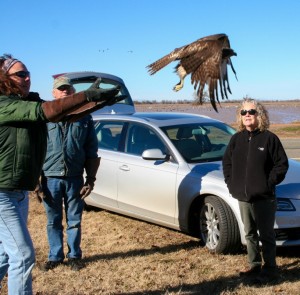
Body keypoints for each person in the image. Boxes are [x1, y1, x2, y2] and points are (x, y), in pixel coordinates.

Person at [0, 53, 120, 295]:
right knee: (23, 256)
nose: (27, 78)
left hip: (19, 192)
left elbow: (67, 116)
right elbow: (47, 112)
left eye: (28, 73)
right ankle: (55, 256)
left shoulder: (30, 104)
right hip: (2, 193)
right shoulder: (5, 104)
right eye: (20, 74)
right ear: (4, 78)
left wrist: (99, 102)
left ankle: (74, 254)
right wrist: (85, 95)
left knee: (5, 253)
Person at [222, 98, 289, 283]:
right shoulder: (236, 139)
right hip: (243, 197)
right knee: (249, 232)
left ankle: (271, 269)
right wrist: (231, 183)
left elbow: (281, 164)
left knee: (266, 234)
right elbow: (227, 163)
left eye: (251, 112)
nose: (247, 115)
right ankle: (254, 265)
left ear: (260, 115)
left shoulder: (269, 138)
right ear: (240, 116)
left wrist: (268, 184)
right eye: (243, 112)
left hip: (264, 197)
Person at [41, 76, 100, 272]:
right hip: (50, 179)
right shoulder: (45, 117)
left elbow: (91, 149)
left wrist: (90, 179)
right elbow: (35, 149)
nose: (65, 91)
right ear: (54, 93)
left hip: (75, 178)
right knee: (53, 220)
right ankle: (55, 256)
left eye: (68, 88)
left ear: (73, 92)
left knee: (74, 220)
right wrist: (36, 180)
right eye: (61, 89)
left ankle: (74, 255)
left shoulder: (85, 118)